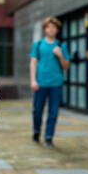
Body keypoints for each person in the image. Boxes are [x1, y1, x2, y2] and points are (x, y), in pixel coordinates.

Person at [29, 17, 70, 148]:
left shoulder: (61, 45)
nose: (51, 29)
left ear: (57, 29)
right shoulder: (38, 44)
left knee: (53, 111)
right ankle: (36, 132)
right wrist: (33, 80)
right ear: (45, 29)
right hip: (40, 83)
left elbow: (66, 66)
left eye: (54, 27)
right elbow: (33, 63)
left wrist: (60, 55)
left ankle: (48, 137)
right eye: (48, 27)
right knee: (37, 111)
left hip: (56, 84)